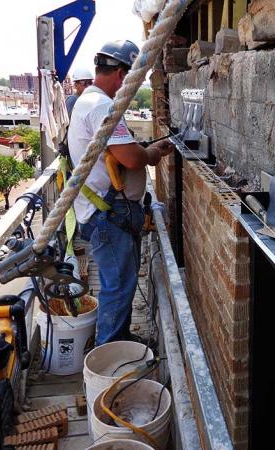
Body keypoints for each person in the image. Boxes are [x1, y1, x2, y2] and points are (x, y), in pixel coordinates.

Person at [67, 40, 174, 345]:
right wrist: (151, 154)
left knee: (122, 283)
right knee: (118, 286)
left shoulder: (87, 101)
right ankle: (111, 354)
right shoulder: (102, 105)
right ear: (121, 74)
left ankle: (119, 339)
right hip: (109, 216)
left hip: (107, 213)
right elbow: (130, 158)